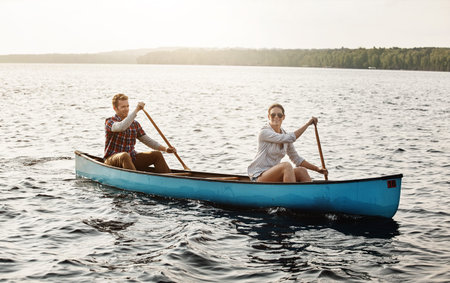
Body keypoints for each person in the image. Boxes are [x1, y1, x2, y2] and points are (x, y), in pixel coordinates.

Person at [248, 103, 328, 182]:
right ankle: (291, 193)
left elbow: (297, 159)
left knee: (302, 171)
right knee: (286, 166)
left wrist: (317, 169)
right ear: (269, 117)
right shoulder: (264, 133)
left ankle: (307, 194)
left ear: (283, 117)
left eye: (279, 115)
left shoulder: (285, 136)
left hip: (274, 175)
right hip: (258, 176)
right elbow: (291, 138)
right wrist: (307, 124)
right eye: (273, 115)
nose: (276, 117)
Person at [104, 93, 176, 173]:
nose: (126, 109)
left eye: (127, 106)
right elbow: (121, 127)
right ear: (115, 108)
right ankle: (134, 180)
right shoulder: (110, 122)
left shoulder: (135, 124)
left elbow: (148, 141)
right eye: (123, 107)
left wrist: (166, 149)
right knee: (124, 155)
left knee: (157, 154)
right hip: (112, 160)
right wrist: (137, 110)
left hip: (131, 158)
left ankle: (168, 179)